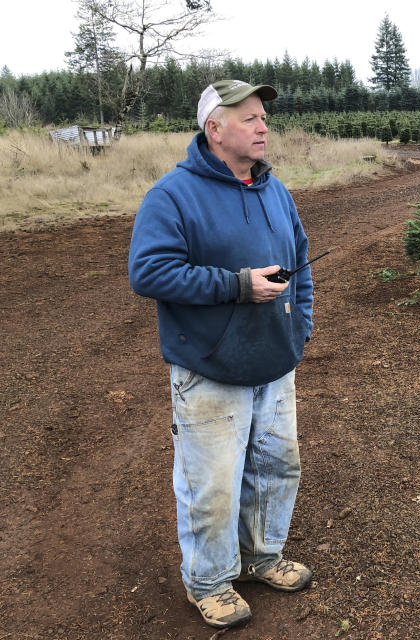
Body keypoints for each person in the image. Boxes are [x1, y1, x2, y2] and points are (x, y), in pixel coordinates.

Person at [129, 80, 314, 629]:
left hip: (275, 362)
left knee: (276, 468)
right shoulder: (173, 194)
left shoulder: (274, 189)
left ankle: (261, 558)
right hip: (209, 368)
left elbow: (300, 259)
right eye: (250, 118)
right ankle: (208, 582)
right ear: (215, 129)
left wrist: (300, 327)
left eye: (264, 117)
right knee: (211, 484)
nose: (263, 126)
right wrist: (236, 286)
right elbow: (149, 271)